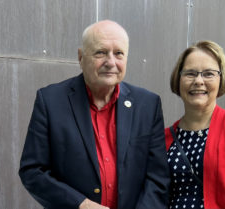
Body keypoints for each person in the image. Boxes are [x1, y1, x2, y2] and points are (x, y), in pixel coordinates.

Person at [19, 20, 170, 209]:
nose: (111, 62)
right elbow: (33, 171)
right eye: (101, 52)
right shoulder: (50, 101)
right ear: (81, 57)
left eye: (119, 54)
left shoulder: (147, 105)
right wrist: (81, 205)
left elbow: (158, 178)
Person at [165, 40, 225, 209]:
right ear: (178, 79)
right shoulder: (164, 137)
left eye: (208, 74)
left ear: (221, 79)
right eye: (190, 73)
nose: (199, 81)